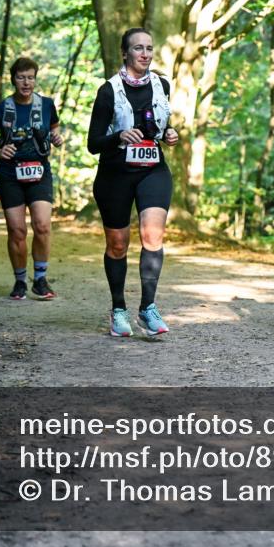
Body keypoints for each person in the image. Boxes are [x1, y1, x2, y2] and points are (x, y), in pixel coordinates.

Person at [87, 27, 179, 338]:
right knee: (117, 244)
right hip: (115, 174)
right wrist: (119, 136)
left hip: (153, 170)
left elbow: (161, 125)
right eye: (138, 48)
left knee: (153, 235)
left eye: (149, 48)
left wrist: (169, 134)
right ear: (125, 53)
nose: (145, 54)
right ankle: (118, 310)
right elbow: (93, 143)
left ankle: (148, 308)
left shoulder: (162, 85)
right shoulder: (108, 91)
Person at [0, 58, 63, 300]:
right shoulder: (2, 108)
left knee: (42, 225)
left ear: (35, 79)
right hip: (10, 175)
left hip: (39, 171)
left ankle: (40, 279)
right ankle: (19, 281)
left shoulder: (46, 105)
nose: (26, 82)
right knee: (17, 230)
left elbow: (54, 126)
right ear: (13, 79)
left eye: (30, 77)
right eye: (21, 77)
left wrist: (56, 137)